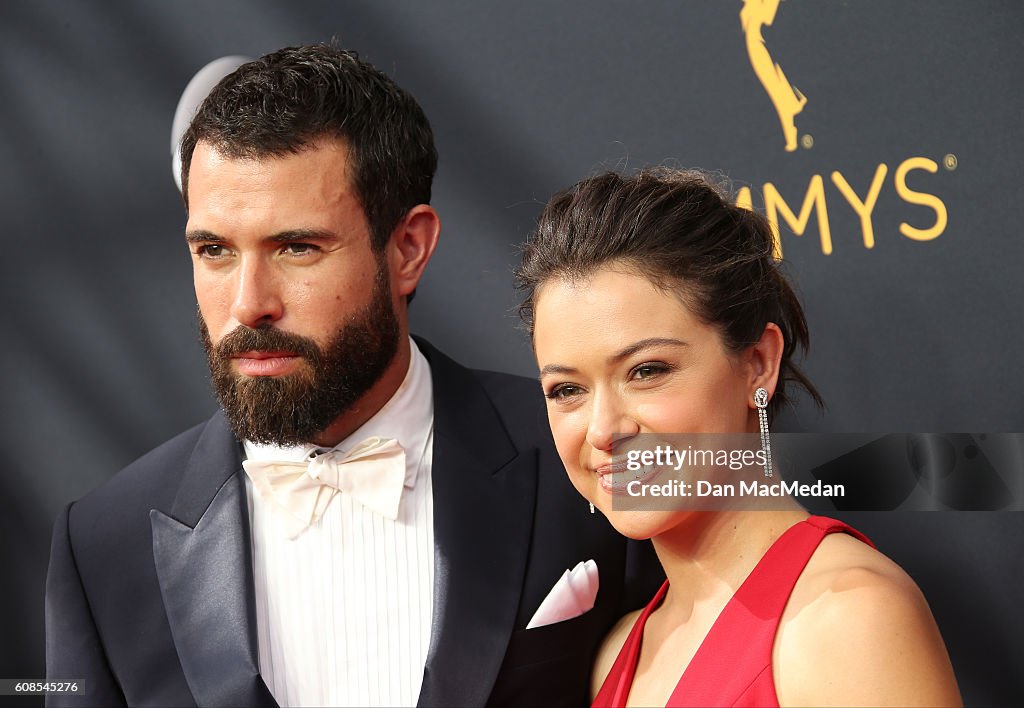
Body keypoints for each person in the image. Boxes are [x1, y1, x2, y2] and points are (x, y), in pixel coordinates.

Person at [44, 44, 661, 708]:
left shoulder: (586, 457)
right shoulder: (105, 545)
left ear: (408, 250)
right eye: (215, 251)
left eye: (297, 247)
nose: (249, 303)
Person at [515, 168, 962, 707]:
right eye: (566, 389)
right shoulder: (618, 651)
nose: (604, 429)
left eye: (647, 370)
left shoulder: (845, 615)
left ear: (757, 364)